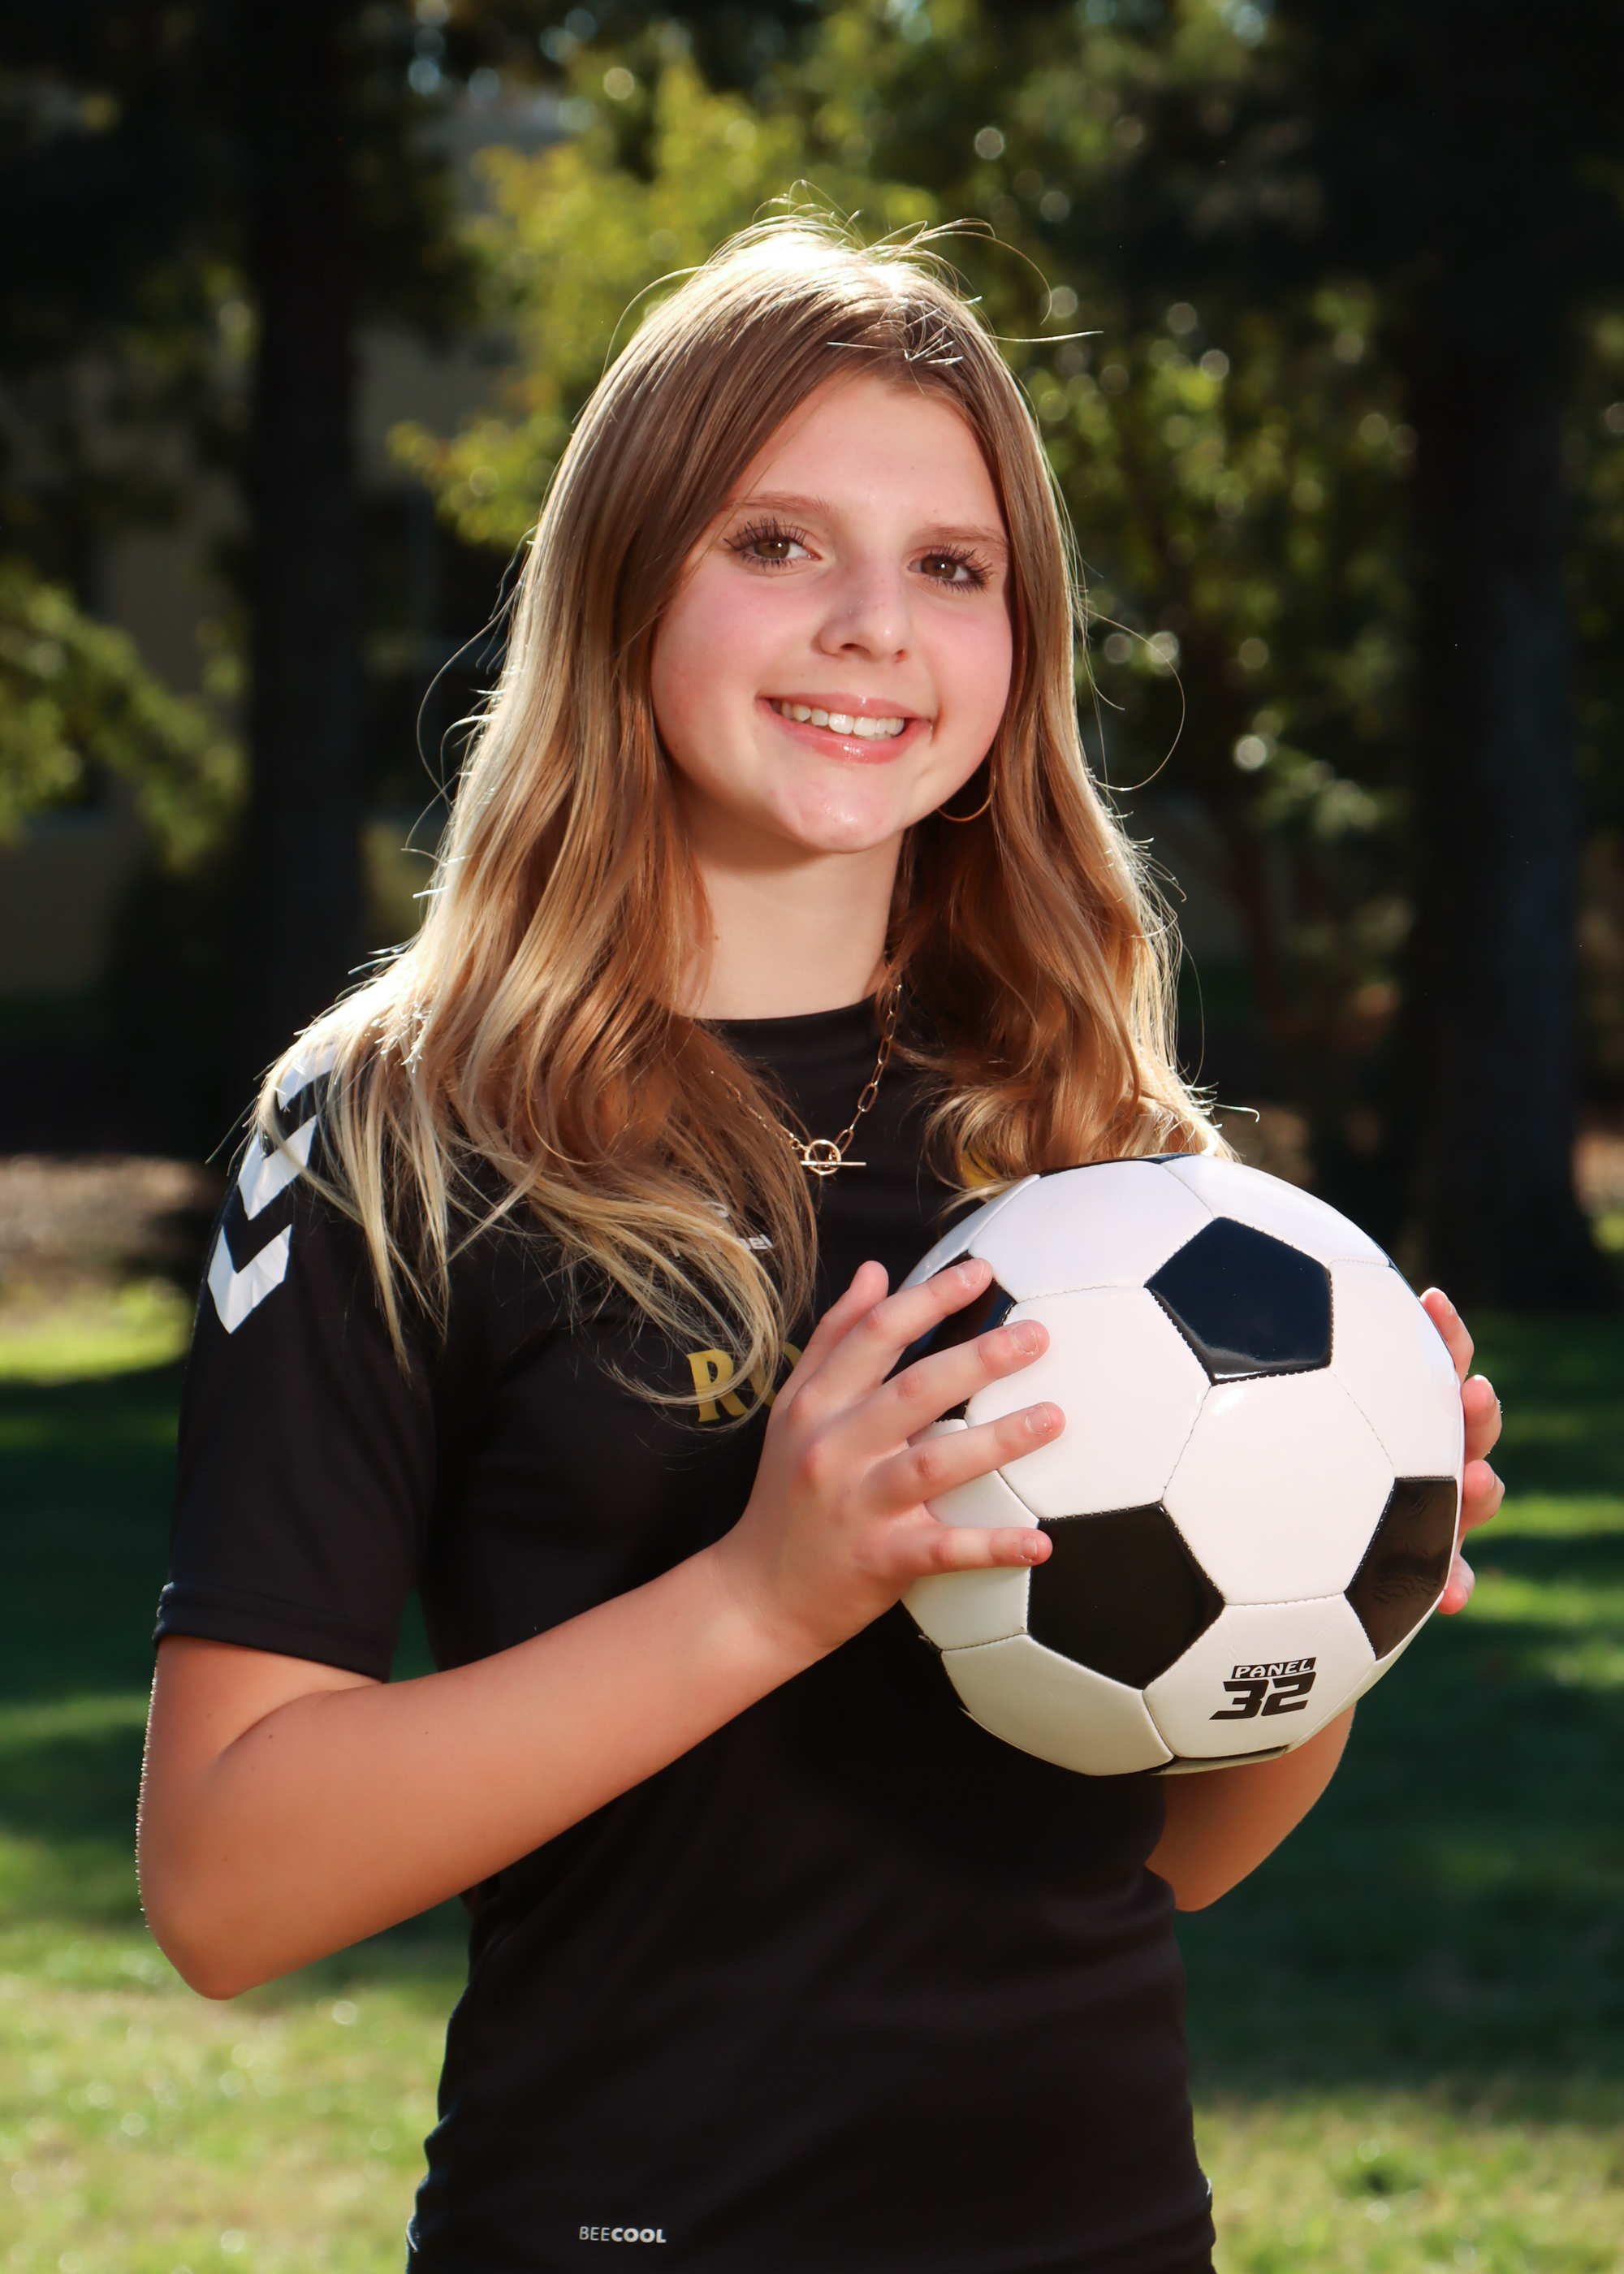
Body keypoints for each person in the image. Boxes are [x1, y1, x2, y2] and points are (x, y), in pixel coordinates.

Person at [138, 223, 1504, 2274]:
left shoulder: (1091, 1137)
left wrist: (1326, 1573)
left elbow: (1169, 1849)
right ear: (624, 578)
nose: (873, 626)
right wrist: (760, 1596)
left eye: (952, 565)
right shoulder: (397, 1127)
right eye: (776, 542)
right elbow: (226, 1884)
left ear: (1019, 641)